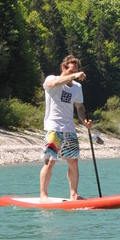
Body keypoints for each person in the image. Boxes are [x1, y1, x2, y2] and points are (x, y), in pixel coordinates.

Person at [39, 55, 92, 201]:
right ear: (63, 68)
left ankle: (74, 194)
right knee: (50, 161)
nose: (73, 75)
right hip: (53, 128)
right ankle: (43, 195)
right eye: (70, 71)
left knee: (73, 161)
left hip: (69, 128)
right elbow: (54, 83)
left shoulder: (77, 87)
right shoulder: (51, 79)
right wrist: (74, 75)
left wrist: (84, 120)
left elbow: (79, 107)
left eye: (75, 71)